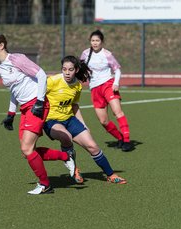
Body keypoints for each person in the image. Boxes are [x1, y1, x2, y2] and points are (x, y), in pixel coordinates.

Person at [0, 33, 77, 195]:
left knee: (27, 148)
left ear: (1, 46)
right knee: (27, 151)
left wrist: (40, 102)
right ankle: (65, 156)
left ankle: (45, 185)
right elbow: (15, 91)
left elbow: (41, 75)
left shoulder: (16, 59)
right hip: (26, 109)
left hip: (37, 105)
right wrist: (10, 114)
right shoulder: (2, 67)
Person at [43, 55, 127, 184]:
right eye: (64, 69)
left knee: (93, 146)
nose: (67, 72)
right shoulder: (52, 81)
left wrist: (83, 124)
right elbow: (36, 95)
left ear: (76, 70)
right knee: (66, 136)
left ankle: (110, 174)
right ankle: (74, 168)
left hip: (69, 119)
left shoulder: (77, 85)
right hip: (51, 121)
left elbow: (74, 106)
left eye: (70, 69)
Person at [80, 30, 132, 152]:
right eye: (93, 40)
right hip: (94, 88)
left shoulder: (107, 54)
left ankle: (127, 141)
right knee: (103, 121)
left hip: (108, 84)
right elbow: (80, 68)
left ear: (102, 42)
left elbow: (117, 69)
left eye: (97, 40)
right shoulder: (85, 54)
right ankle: (120, 138)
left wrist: (116, 83)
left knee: (117, 112)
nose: (95, 43)